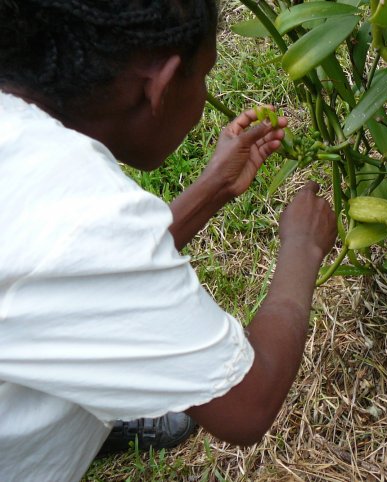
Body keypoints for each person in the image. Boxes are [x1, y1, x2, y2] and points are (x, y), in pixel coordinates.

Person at [0, 1, 337, 481]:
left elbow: (79, 273)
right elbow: (248, 403)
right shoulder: (84, 216)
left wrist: (211, 190)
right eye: (203, 75)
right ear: (160, 84)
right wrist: (301, 249)